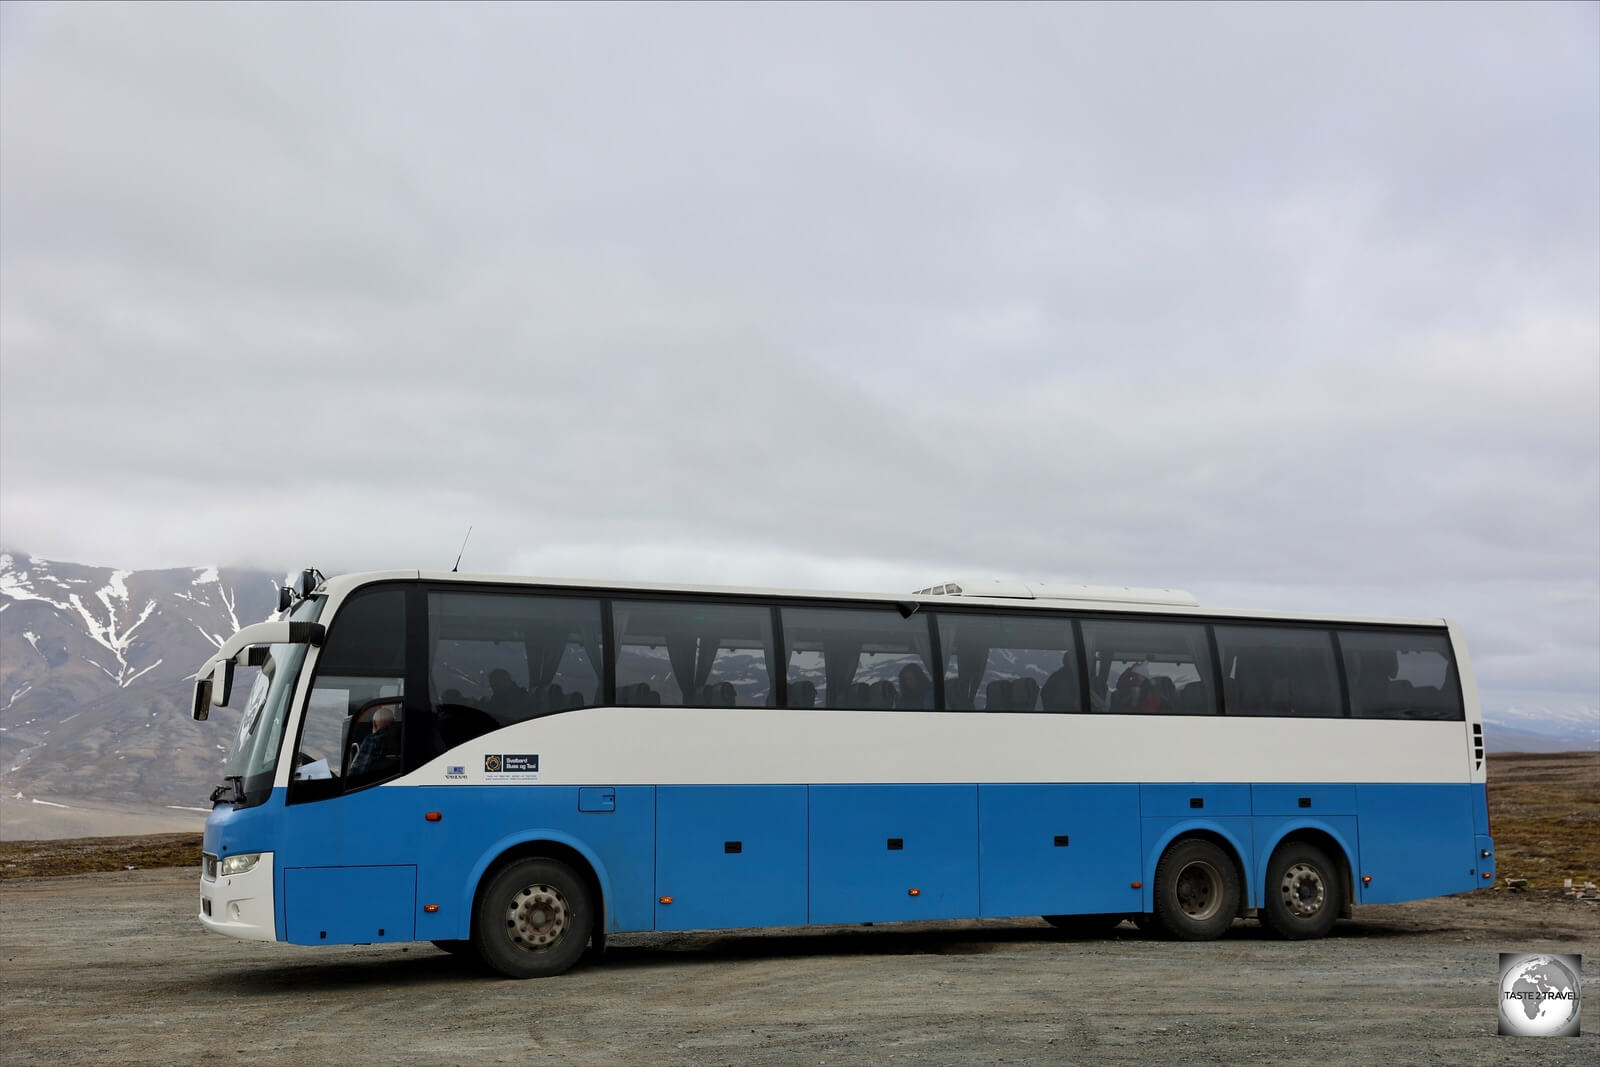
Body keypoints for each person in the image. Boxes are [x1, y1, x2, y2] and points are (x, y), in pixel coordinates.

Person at [348, 704, 402, 777]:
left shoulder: (372, 740)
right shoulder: (401, 739)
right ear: (393, 722)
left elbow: (358, 771)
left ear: (374, 723)